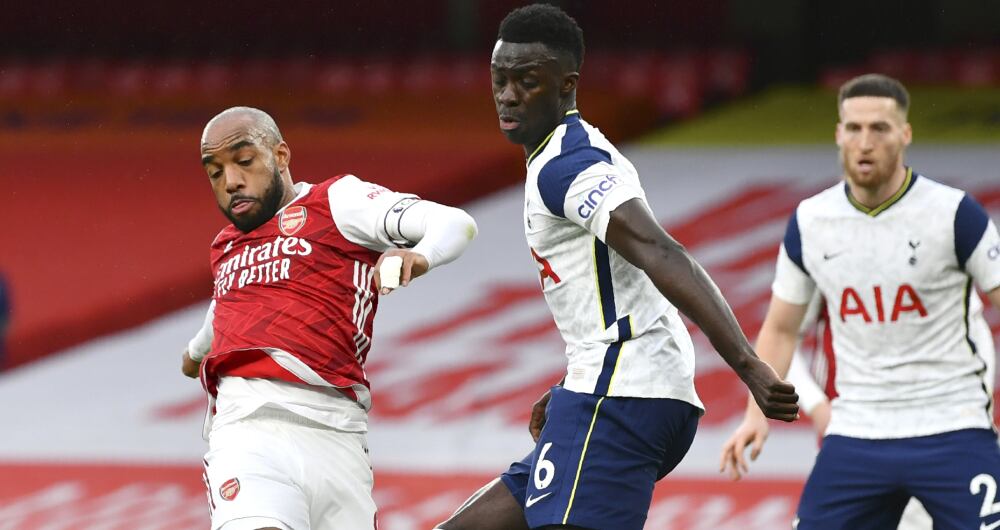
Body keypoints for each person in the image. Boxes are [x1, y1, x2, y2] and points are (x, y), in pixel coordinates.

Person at [436, 5, 799, 530]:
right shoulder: (564, 153)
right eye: (499, 79)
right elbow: (616, 286)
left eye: (527, 82)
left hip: (622, 396)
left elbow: (661, 252)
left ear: (567, 85)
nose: (508, 95)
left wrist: (748, 367)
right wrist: (571, 383)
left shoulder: (569, 167)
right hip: (607, 389)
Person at [719, 73, 1000, 529]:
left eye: (879, 128)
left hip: (952, 424)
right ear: (838, 134)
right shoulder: (812, 221)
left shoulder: (953, 213)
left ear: (905, 135)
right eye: (854, 128)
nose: (864, 141)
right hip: (857, 433)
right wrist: (756, 414)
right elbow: (781, 328)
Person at [180, 106, 478, 530]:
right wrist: (195, 353)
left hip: (340, 438)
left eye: (244, 162)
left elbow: (456, 222)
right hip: (249, 430)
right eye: (215, 172)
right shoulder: (225, 246)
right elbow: (226, 304)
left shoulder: (337, 201)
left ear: (280, 156)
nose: (231, 182)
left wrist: (420, 254)